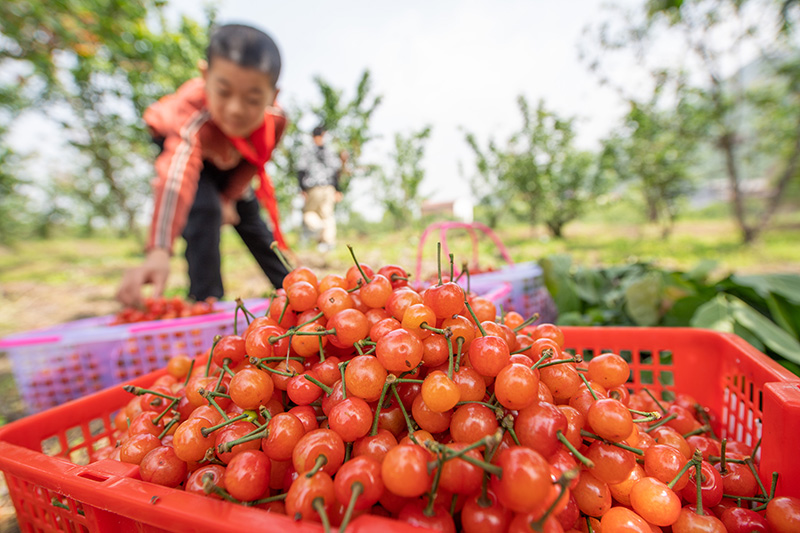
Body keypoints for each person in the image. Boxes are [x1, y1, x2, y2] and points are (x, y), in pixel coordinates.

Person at [116, 23, 290, 306]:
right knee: (203, 208)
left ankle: (295, 291)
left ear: (272, 96)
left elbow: (255, 162)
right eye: (223, 92)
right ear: (205, 76)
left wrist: (230, 198)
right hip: (184, 149)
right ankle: (206, 301)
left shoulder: (276, 122)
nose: (235, 108)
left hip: (232, 160)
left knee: (253, 222)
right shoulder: (191, 113)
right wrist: (159, 251)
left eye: (253, 98)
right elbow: (175, 177)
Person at [295, 125, 348, 252]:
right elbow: (336, 172)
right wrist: (337, 189)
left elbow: (301, 170)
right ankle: (327, 242)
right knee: (327, 215)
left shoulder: (306, 150)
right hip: (328, 187)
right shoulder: (330, 151)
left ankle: (320, 230)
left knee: (309, 213)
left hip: (313, 188)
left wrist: (302, 188)